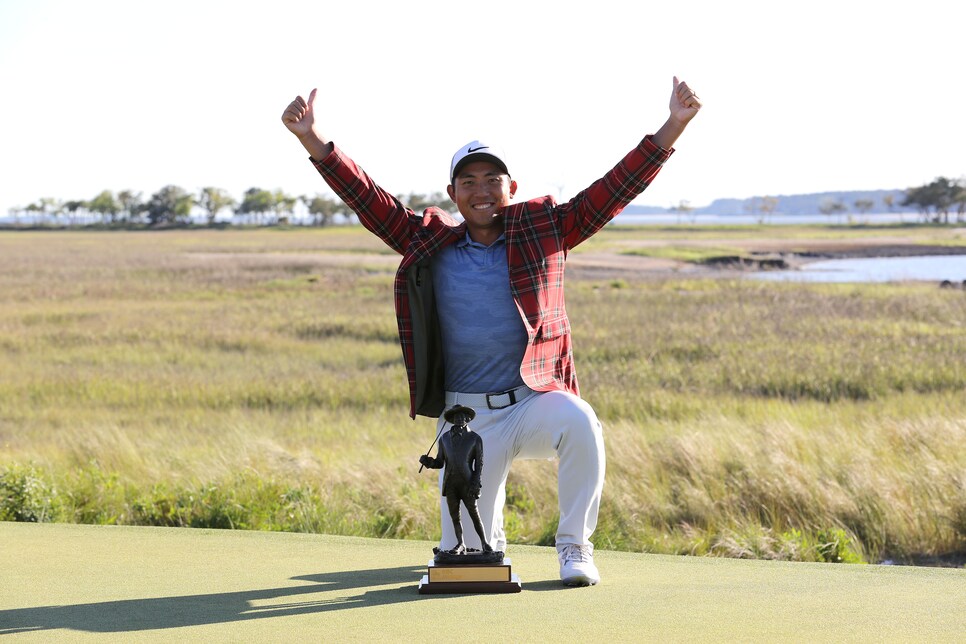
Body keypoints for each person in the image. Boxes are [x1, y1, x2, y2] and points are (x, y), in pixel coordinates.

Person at [281, 78, 701, 586]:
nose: (482, 191)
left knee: (582, 422)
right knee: (476, 557)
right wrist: (312, 138)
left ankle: (574, 548)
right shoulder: (428, 240)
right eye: (470, 182)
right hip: (466, 418)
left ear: (511, 187)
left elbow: (610, 192)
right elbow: (369, 200)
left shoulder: (546, 229)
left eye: (492, 180)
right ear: (452, 193)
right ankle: (484, 547)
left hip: (532, 400)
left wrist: (673, 125)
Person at [418, 404, 493, 556]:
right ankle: (460, 543)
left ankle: (485, 543)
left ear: (467, 418)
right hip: (451, 483)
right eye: (456, 416)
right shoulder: (444, 439)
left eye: (462, 416)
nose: (459, 419)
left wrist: (476, 483)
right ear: (452, 419)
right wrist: (429, 462)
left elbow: (479, 464)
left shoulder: (475, 438)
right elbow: (440, 462)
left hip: (468, 482)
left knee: (474, 513)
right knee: (454, 516)